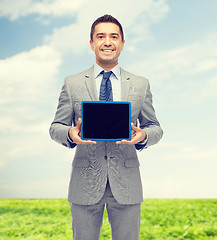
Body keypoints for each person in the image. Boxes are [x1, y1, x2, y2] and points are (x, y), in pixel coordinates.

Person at [49, 14, 163, 240]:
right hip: (85, 182)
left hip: (127, 183)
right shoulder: (72, 83)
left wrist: (142, 136)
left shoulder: (140, 84)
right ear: (91, 44)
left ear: (122, 43)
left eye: (114, 36)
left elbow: (155, 127)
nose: (107, 42)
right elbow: (56, 127)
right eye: (100, 37)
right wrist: (70, 134)